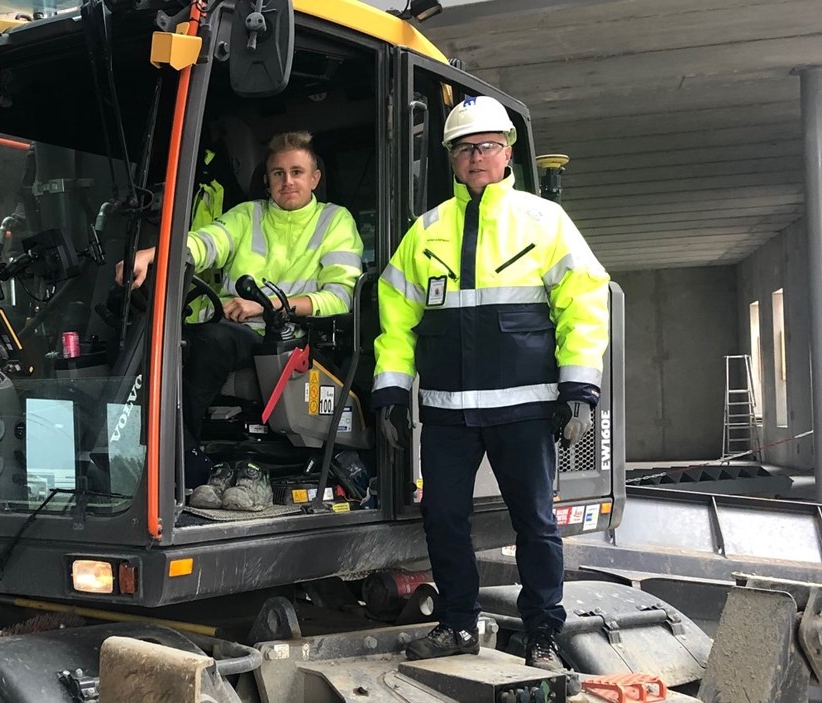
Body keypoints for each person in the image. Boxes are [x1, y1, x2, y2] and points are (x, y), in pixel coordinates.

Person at [372, 96, 609, 671]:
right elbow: (397, 318)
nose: (476, 157)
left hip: (526, 409)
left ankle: (543, 636)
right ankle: (456, 626)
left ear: (506, 152)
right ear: (451, 158)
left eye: (486, 146)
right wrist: (390, 391)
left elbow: (584, 303)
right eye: (463, 148)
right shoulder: (425, 232)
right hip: (448, 412)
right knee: (443, 519)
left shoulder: (545, 222)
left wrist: (579, 387)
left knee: (536, 524)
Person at [118, 130, 363, 509]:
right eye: (277, 173)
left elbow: (339, 297)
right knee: (163, 337)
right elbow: (206, 242)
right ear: (267, 179)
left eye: (297, 171)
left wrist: (265, 307)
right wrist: (153, 254)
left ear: (315, 178)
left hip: (290, 341)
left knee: (212, 342)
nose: (288, 181)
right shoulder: (248, 215)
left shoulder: (335, 221)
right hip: (234, 331)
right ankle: (158, 455)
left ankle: (181, 457)